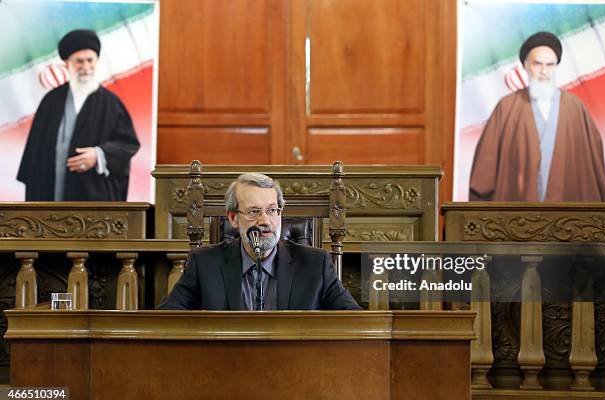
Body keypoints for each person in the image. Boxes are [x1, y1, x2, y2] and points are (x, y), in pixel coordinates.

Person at [157, 173, 361, 310]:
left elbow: (353, 322)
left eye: (272, 210)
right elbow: (167, 320)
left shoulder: (316, 265)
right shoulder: (205, 264)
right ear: (233, 218)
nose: (265, 221)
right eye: (254, 212)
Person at [469, 31, 605, 202]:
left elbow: (593, 162)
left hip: (569, 215)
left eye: (550, 65)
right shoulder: (506, 108)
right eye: (537, 64)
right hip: (517, 213)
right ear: (526, 66)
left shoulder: (575, 107)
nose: (544, 71)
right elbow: (486, 163)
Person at [17, 29, 140, 201]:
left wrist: (98, 155)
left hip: (92, 195)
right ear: (67, 64)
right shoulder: (50, 101)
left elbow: (127, 143)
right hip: (50, 191)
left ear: (97, 61)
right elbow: (35, 153)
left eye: (90, 60)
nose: (86, 67)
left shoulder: (110, 103)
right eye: (79, 62)